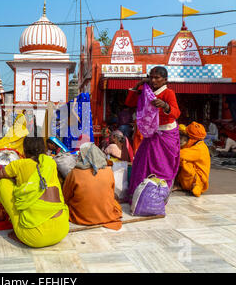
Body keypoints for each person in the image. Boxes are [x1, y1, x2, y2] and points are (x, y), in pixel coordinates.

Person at [0, 137, 69, 248]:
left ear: (24, 150)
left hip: (35, 237)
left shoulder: (19, 165)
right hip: (62, 230)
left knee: (3, 182)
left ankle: (19, 231)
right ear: (43, 148)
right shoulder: (51, 163)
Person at [125, 66, 181, 203]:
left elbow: (176, 113)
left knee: (162, 165)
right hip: (151, 134)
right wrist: (137, 86)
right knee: (141, 162)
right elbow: (129, 103)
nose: (153, 80)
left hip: (166, 134)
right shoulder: (147, 91)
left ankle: (159, 195)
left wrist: (165, 106)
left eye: (157, 78)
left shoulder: (168, 93)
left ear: (165, 80)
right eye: (151, 77)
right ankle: (140, 193)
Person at [63, 142, 122, 230]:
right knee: (114, 203)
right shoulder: (108, 171)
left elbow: (65, 196)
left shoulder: (75, 173)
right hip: (106, 214)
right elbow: (111, 192)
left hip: (82, 216)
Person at [175, 122, 211, 197]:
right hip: (197, 178)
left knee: (183, 161)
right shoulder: (199, 145)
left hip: (196, 180)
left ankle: (184, 185)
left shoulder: (198, 148)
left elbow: (178, 155)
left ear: (191, 138)